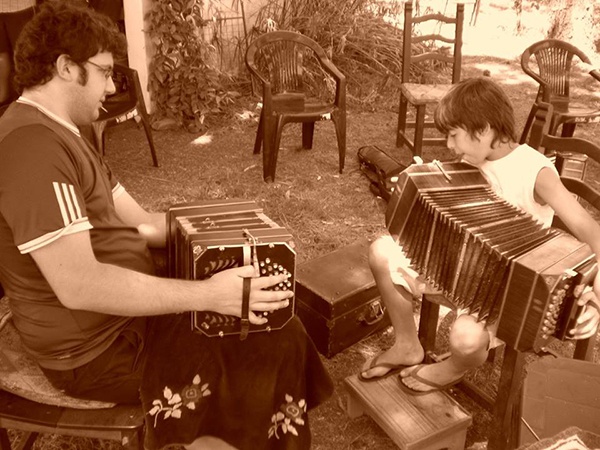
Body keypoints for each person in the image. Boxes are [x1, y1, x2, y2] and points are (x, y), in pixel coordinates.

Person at [0, 2, 333, 449]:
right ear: (65, 67)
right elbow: (79, 285)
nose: (112, 86)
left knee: (272, 316)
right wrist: (211, 294)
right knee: (267, 341)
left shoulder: (66, 132)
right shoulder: (32, 147)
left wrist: (233, 235)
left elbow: (140, 223)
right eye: (104, 72)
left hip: (124, 315)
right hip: (98, 349)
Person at [359, 77, 600, 394]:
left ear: (484, 129)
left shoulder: (535, 171)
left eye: (454, 135)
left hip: (504, 295)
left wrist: (596, 297)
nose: (449, 145)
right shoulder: (471, 160)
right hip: (457, 272)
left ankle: (453, 368)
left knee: (466, 340)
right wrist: (420, 185)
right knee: (380, 251)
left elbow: (590, 231)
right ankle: (407, 344)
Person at [0, 0, 36, 105]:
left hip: (21, 9)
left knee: (6, 57)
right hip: (21, 8)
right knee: (24, 56)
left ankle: (4, 102)